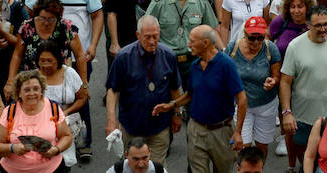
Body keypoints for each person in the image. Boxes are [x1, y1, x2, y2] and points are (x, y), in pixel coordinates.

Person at [279, 6, 327, 172]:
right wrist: (287, 112)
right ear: (308, 25)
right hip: (303, 116)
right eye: (318, 26)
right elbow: (285, 81)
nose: (323, 29)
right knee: (306, 155)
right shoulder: (295, 46)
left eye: (326, 25)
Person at [105, 15, 182, 164]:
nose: (152, 41)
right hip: (131, 127)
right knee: (134, 166)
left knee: (156, 167)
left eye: (155, 36)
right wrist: (111, 120)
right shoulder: (123, 57)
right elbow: (113, 90)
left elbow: (174, 89)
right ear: (137, 35)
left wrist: (177, 114)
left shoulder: (169, 56)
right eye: (147, 37)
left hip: (159, 128)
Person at [172, 25, 248, 173]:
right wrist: (172, 105)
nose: (188, 44)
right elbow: (190, 94)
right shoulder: (195, 66)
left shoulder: (226, 65)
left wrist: (238, 131)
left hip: (222, 131)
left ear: (205, 43)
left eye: (192, 41)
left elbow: (242, 99)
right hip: (196, 129)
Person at [0, 70, 74, 173]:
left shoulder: (53, 108)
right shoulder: (9, 112)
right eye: (26, 90)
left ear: (41, 91)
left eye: (36, 89)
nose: (32, 93)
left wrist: (56, 150)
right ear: (19, 93)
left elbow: (67, 136)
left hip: (51, 169)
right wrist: (12, 148)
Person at [229, 16, 283, 155]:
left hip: (266, 104)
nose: (256, 42)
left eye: (260, 38)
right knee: (243, 148)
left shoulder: (270, 48)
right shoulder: (233, 48)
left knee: (261, 147)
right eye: (252, 38)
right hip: (241, 105)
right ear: (245, 34)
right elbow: (224, 74)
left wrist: (273, 81)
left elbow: (277, 75)